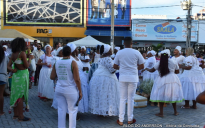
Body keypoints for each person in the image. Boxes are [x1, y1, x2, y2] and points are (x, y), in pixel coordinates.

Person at [113, 37, 144, 126]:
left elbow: (114, 66)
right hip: (133, 78)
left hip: (123, 77)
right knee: (131, 99)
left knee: (122, 99)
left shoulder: (120, 52)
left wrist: (122, 68)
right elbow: (142, 66)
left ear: (124, 43)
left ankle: (121, 120)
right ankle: (130, 119)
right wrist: (134, 68)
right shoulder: (136, 52)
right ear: (132, 43)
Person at [145, 49, 184, 117]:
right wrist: (171, 72)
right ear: (169, 55)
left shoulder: (159, 62)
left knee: (161, 95)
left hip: (162, 79)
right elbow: (177, 72)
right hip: (173, 79)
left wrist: (147, 69)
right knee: (173, 95)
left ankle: (161, 113)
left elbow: (152, 70)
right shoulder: (174, 62)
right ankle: (175, 112)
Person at [50, 46, 82, 128]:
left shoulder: (57, 62)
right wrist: (80, 91)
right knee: (72, 111)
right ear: (70, 53)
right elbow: (77, 79)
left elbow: (52, 77)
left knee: (61, 111)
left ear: (62, 53)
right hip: (71, 90)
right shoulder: (73, 62)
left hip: (59, 89)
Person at [89, 44, 119, 116]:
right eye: (110, 49)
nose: (111, 50)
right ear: (107, 51)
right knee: (107, 95)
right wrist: (118, 67)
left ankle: (101, 111)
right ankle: (106, 111)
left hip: (98, 77)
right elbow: (111, 70)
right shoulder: (108, 59)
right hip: (106, 78)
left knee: (101, 95)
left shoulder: (101, 58)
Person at [7, 37, 32, 121]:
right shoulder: (22, 53)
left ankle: (16, 115)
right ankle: (21, 116)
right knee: (21, 96)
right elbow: (27, 66)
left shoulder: (14, 54)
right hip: (22, 76)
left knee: (16, 94)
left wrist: (12, 70)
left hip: (16, 76)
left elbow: (8, 66)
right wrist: (30, 59)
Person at [68, 43, 89, 113]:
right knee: (76, 95)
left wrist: (84, 68)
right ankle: (73, 112)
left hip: (82, 78)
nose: (78, 50)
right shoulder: (70, 58)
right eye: (76, 49)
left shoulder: (77, 58)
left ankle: (77, 111)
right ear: (73, 50)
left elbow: (80, 67)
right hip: (75, 80)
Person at [0, 46, 9, 116]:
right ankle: (1, 111)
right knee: (1, 95)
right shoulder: (5, 57)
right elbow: (9, 66)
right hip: (2, 76)